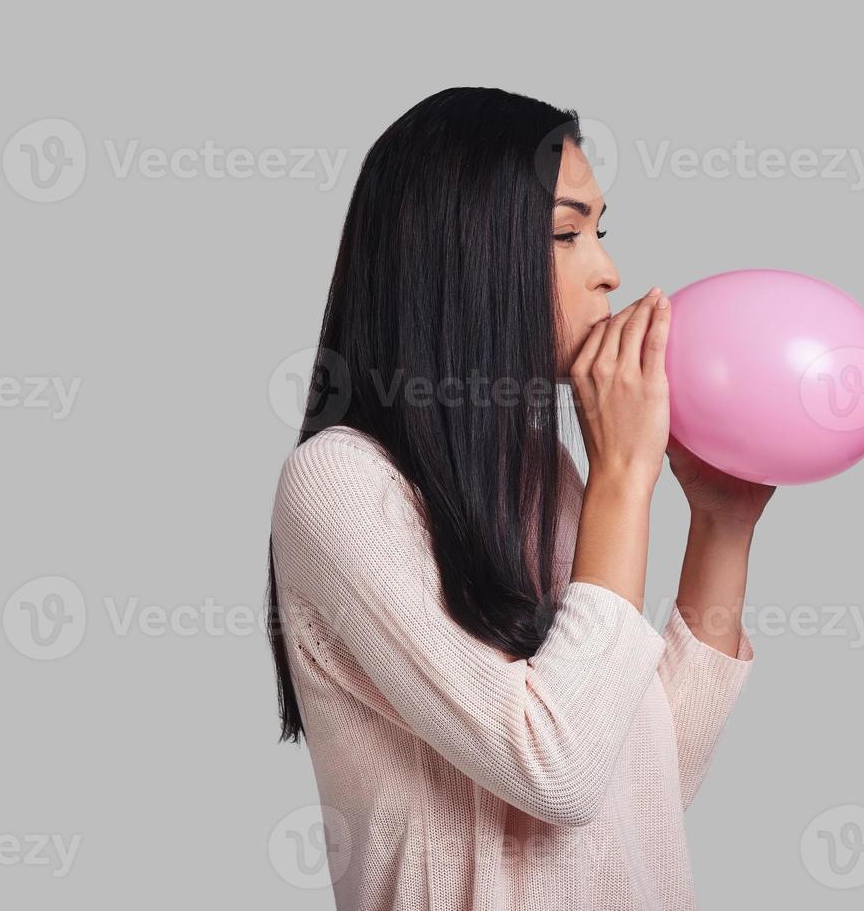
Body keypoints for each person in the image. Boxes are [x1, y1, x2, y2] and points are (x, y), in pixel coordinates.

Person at [266, 87, 774, 910]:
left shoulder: (546, 478)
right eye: (568, 233)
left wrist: (720, 526)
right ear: (466, 257)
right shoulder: (341, 484)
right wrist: (621, 480)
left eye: (599, 232)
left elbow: (641, 783)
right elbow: (556, 770)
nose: (608, 269)